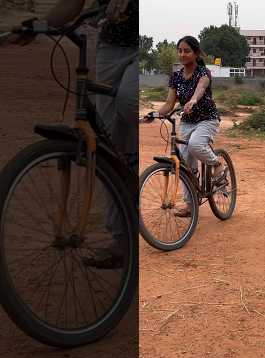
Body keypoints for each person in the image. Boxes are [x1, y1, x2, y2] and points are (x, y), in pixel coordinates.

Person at [7, 0, 138, 268]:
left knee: (128, 101)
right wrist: (38, 26)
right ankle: (121, 240)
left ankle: (140, 165)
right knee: (109, 144)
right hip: (111, 46)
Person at [155, 35, 225, 217]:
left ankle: (217, 163)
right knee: (186, 164)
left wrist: (193, 100)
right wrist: (153, 114)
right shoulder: (176, 77)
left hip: (207, 120)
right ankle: (190, 204)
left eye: (187, 51)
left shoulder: (203, 72)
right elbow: (169, 104)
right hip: (187, 122)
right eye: (180, 51)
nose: (182, 54)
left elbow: (201, 88)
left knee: (195, 145)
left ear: (196, 53)